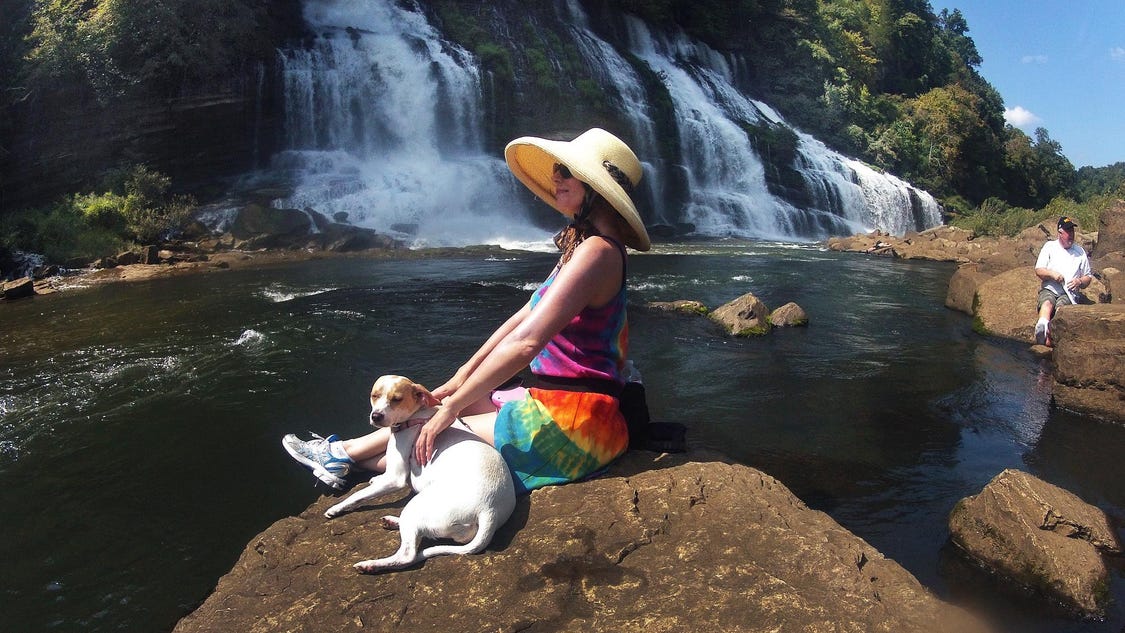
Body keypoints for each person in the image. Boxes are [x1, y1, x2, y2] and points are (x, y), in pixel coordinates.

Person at [283, 128, 651, 494]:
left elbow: (526, 343)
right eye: (557, 168)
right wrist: (461, 378)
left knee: (431, 432)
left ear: (598, 187)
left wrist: (452, 408)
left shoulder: (597, 252)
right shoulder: (584, 247)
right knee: (434, 406)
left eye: (567, 171)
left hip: (574, 425)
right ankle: (340, 454)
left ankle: (345, 458)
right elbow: (525, 314)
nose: (555, 177)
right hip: (553, 401)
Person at [1033, 216, 1092, 346]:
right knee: (1047, 303)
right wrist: (1052, 274)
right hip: (1050, 288)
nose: (1071, 235)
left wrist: (1079, 281)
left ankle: (1050, 334)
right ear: (1060, 233)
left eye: (1072, 231)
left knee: (1061, 309)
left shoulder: (1080, 251)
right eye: (1068, 231)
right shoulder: (1049, 247)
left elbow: (1088, 277)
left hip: (1069, 293)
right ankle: (1042, 326)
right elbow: (1039, 270)